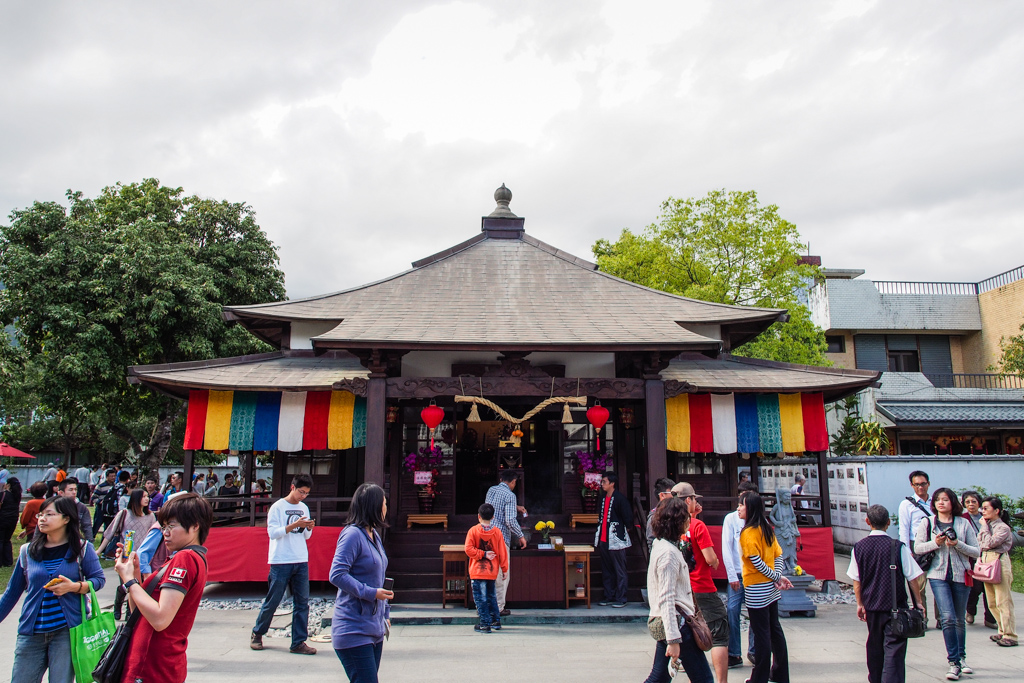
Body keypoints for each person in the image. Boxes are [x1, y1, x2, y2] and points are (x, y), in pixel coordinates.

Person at [0, 496, 106, 683]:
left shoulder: (82, 549)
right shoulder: (27, 551)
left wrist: (75, 587)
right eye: (40, 515)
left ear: (66, 519)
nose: (41, 519)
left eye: (49, 514)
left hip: (66, 632)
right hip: (31, 632)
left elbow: (98, 579)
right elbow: (11, 593)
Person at [117, 492, 212, 683]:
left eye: (172, 526)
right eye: (163, 526)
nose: (165, 532)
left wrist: (130, 582)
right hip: (153, 663)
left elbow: (160, 619)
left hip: (153, 666)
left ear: (195, 526)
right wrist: (134, 572)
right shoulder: (188, 558)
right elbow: (139, 612)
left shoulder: (184, 559)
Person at [849, 504, 924, 683]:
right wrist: (919, 602)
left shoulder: (859, 547)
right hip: (895, 607)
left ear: (867, 522)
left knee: (875, 646)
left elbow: (856, 580)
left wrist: (860, 604)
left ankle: (875, 678)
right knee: (894, 649)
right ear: (888, 523)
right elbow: (913, 577)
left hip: (872, 606)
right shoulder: (897, 546)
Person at [644, 496, 714, 683]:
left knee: (658, 678)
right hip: (678, 623)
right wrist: (674, 640)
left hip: (672, 621)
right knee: (704, 679)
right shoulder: (668, 554)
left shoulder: (661, 545)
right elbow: (667, 597)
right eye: (686, 518)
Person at [913, 487, 979, 680]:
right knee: (948, 617)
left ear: (953, 503)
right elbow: (917, 547)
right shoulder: (928, 522)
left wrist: (957, 543)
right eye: (937, 500)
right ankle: (953, 662)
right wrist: (936, 543)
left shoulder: (963, 523)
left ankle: (961, 657)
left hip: (961, 575)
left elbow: (976, 551)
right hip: (937, 575)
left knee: (959, 619)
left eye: (945, 500)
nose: (941, 503)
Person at [329, 483, 392, 683]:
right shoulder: (352, 534)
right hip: (353, 627)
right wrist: (370, 593)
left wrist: (386, 612)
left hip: (374, 626)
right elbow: (337, 574)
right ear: (373, 506)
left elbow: (379, 577)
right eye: (383, 503)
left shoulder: (373, 535)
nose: (385, 508)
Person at [251, 473, 317, 655]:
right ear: (292, 487)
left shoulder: (304, 508)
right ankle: (258, 632)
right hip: (281, 559)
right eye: (301, 492)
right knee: (274, 599)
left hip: (301, 558)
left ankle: (298, 642)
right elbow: (272, 533)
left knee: (302, 602)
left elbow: (306, 536)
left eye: (306, 493)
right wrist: (293, 525)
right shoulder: (277, 507)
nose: (303, 496)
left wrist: (308, 527)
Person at [672, 482, 730, 682]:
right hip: (702, 586)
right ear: (688, 500)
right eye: (694, 499)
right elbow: (710, 557)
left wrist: (693, 515)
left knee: (689, 632)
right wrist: (715, 562)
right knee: (718, 633)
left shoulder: (672, 525)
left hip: (681, 589)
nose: (696, 502)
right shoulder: (698, 526)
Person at [740, 492, 793, 683]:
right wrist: (777, 577)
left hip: (756, 587)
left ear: (750, 508)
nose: (739, 508)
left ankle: (759, 677)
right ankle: (780, 673)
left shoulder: (748, 532)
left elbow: (755, 562)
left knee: (761, 634)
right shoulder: (767, 529)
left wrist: (776, 577)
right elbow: (778, 555)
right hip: (770, 587)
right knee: (774, 630)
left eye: (742, 505)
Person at [100, 487, 157, 619]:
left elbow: (154, 536)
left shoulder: (150, 516)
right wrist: (100, 550)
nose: (147, 499)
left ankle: (129, 614)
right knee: (125, 584)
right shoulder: (125, 513)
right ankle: (118, 604)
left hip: (142, 558)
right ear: (136, 499)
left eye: (147, 496)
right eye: (143, 496)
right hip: (125, 556)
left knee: (137, 585)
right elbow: (109, 534)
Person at [722, 481, 759, 668]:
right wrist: (731, 575)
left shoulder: (760, 522)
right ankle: (734, 652)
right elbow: (726, 549)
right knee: (732, 610)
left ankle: (753, 650)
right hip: (737, 571)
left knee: (755, 612)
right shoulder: (731, 519)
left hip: (754, 575)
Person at [485, 470, 526, 617]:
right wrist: (521, 536)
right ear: (513, 481)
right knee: (502, 574)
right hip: (501, 539)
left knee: (488, 572)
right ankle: (499, 607)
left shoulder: (491, 490)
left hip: (486, 537)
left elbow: (490, 508)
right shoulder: (510, 495)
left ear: (501, 479)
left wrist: (516, 507)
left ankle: (486, 606)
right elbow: (509, 520)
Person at [977, 496, 1017, 647]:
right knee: (992, 601)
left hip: (999, 562)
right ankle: (1002, 630)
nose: (983, 511)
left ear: (997, 510)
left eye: (986, 508)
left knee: (1003, 600)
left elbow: (988, 543)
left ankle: (1010, 634)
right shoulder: (986, 526)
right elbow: (980, 543)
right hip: (986, 562)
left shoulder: (1003, 528)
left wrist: (984, 528)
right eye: (983, 508)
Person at [464, 503, 509, 634]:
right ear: (493, 517)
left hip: (477, 571)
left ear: (478, 516)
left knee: (480, 598)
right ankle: (495, 621)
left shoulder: (473, 531)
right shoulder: (497, 532)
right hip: (492, 570)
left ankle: (484, 623)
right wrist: (504, 569)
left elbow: (468, 549)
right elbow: (502, 552)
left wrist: (482, 554)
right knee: (491, 596)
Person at [897, 470, 933, 624]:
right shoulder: (907, 504)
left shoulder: (935, 502)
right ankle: (922, 618)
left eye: (923, 484)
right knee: (918, 585)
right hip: (916, 545)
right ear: (912, 485)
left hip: (935, 543)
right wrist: (907, 550)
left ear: (928, 484)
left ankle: (942, 618)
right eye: (917, 484)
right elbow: (904, 528)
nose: (921, 487)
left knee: (939, 583)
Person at [595, 471, 632, 608]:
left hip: (616, 539)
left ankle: (621, 597)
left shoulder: (620, 499)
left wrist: (624, 531)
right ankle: (608, 595)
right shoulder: (603, 498)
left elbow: (628, 518)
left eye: (604, 481)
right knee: (607, 569)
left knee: (619, 569)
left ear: (612, 483)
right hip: (604, 538)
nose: (602, 484)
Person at [960, 491, 996, 628]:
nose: (971, 504)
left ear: (979, 503)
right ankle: (970, 610)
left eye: (974, 501)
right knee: (975, 588)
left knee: (989, 588)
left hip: (987, 556)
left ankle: (990, 618)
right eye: (968, 502)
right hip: (971, 557)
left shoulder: (986, 517)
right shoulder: (962, 518)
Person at [646, 477, 676, 553]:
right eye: (672, 493)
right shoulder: (654, 516)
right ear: (662, 495)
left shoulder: (675, 512)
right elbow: (651, 541)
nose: (675, 497)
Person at [0, 478, 22, 566]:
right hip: (13, 519)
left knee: (0, 540)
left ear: (8, 485)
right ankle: (8, 561)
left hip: (2, 519)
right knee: (7, 540)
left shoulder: (3, 495)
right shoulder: (17, 496)